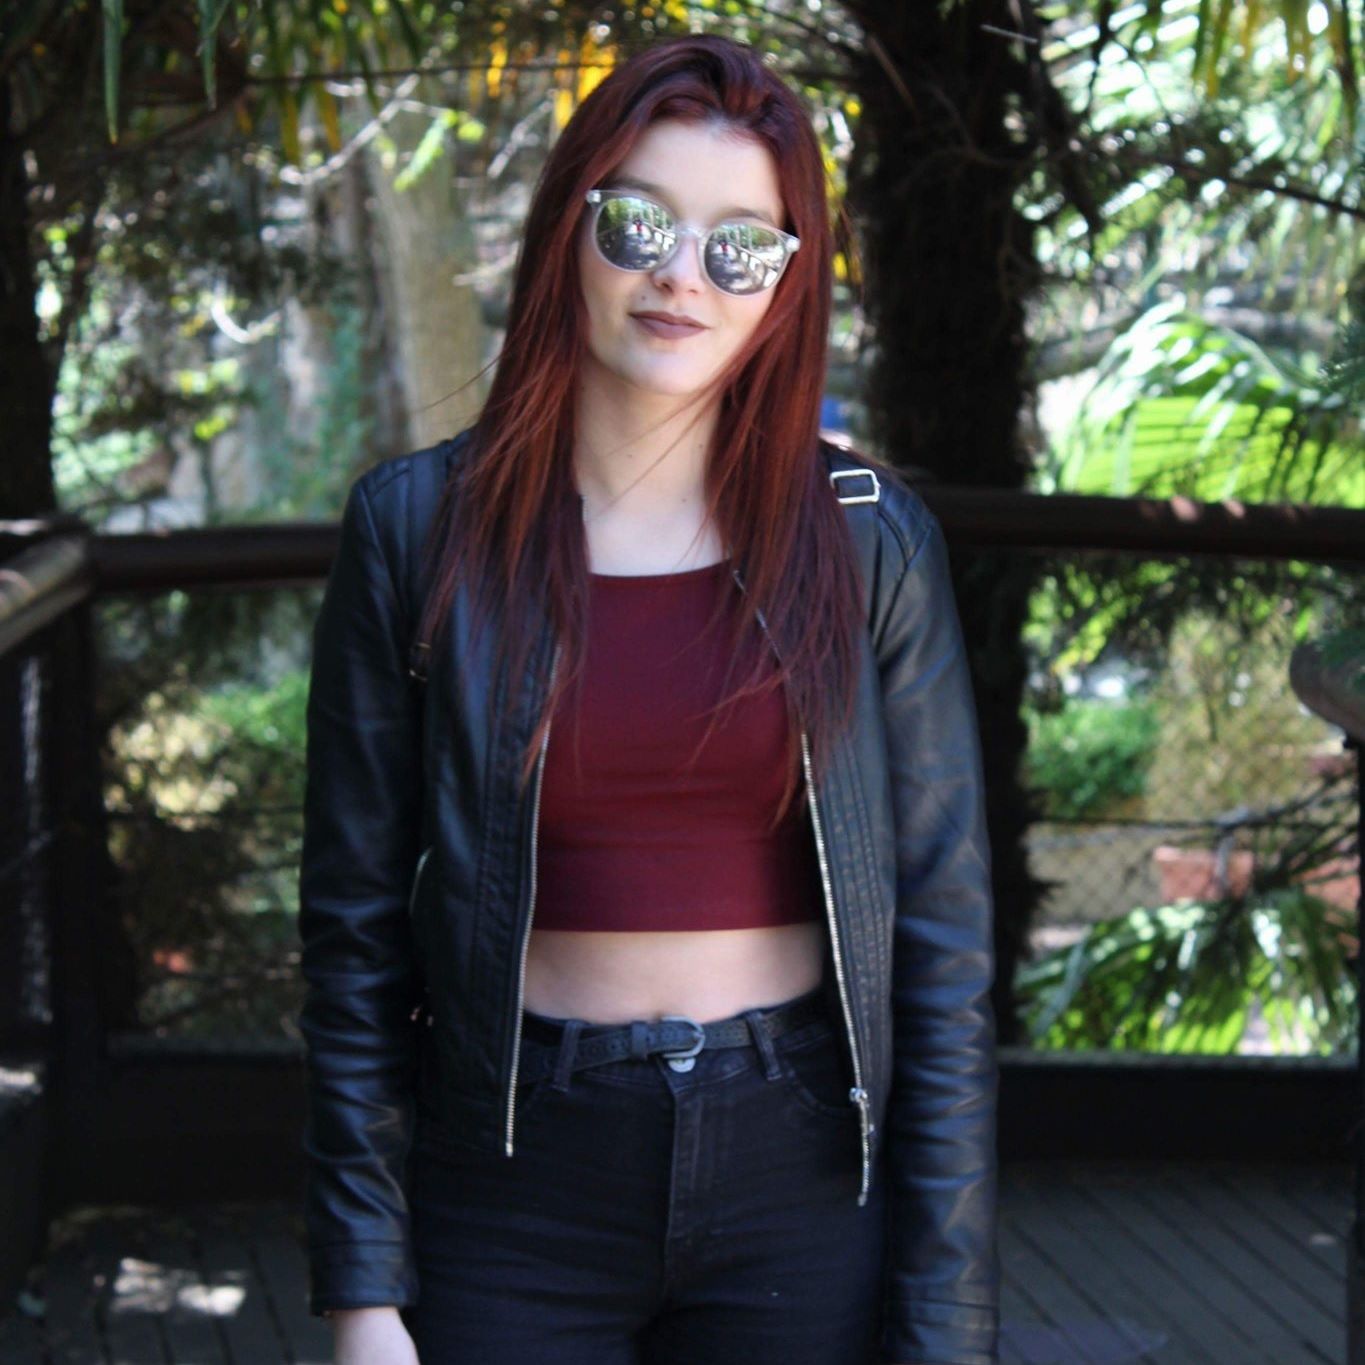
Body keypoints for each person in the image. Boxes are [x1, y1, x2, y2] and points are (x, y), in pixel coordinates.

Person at [297, 32, 1000, 1365]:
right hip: (508, 1177)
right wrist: (361, 1289)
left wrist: (946, 1323)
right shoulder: (415, 530)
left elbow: (943, 963)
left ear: (788, 282)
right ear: (569, 228)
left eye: (742, 246)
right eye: (639, 223)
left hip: (800, 1175)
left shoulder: (868, 544)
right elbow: (352, 939)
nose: (683, 275)